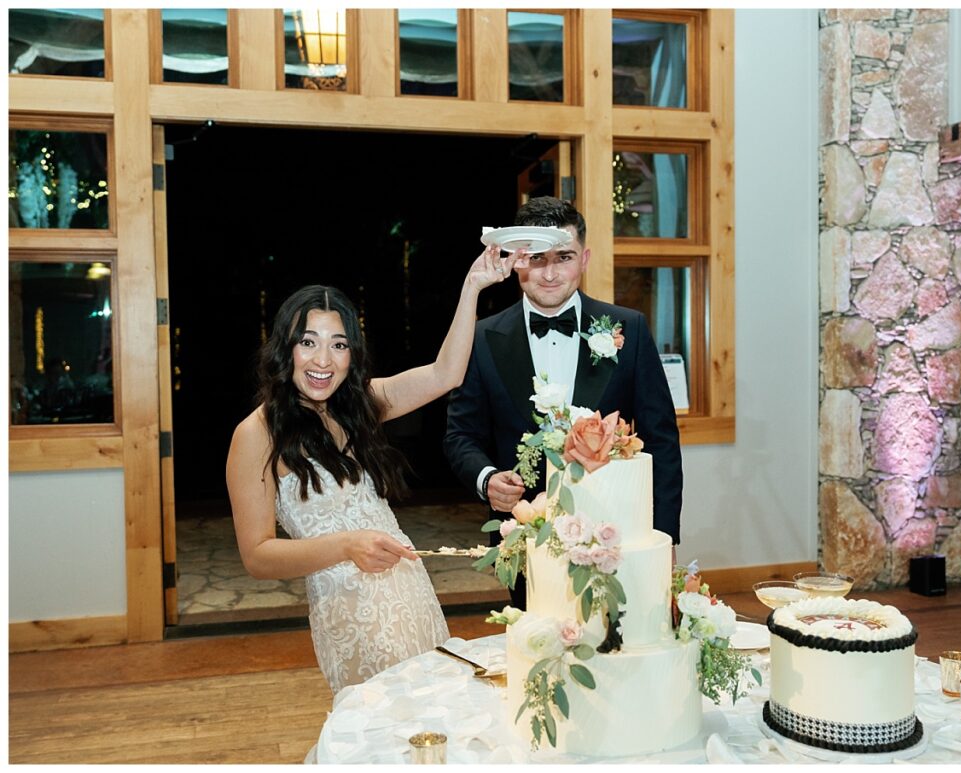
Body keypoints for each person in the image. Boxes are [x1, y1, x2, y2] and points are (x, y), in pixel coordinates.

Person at [226, 245, 519, 696]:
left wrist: (473, 286)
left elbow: (446, 374)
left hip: (410, 593)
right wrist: (346, 545)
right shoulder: (256, 434)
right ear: (286, 347)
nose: (323, 360)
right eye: (309, 342)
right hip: (349, 614)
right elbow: (257, 555)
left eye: (338, 345)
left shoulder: (359, 405)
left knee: (436, 716)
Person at [444, 197, 683, 609]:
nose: (550, 273)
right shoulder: (481, 339)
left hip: (619, 534)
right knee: (538, 656)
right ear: (516, 260)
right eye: (536, 258)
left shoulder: (631, 329)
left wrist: (664, 539)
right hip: (525, 538)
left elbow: (662, 442)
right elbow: (460, 434)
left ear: (585, 258)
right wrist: (486, 479)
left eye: (564, 257)